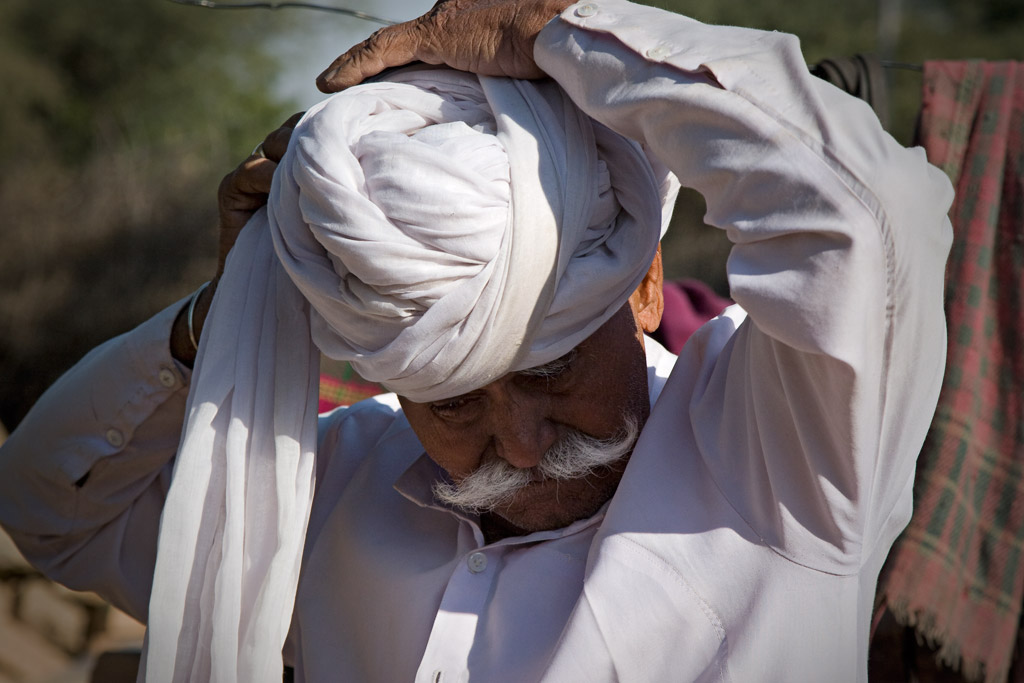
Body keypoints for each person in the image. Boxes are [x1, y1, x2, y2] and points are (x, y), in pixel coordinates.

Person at [0, 0, 954, 680]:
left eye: (552, 369)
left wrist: (549, 33)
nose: (521, 444)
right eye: (452, 398)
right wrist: (231, 318)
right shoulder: (334, 485)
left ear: (646, 286)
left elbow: (872, 214)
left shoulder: (781, 459)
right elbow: (54, 508)